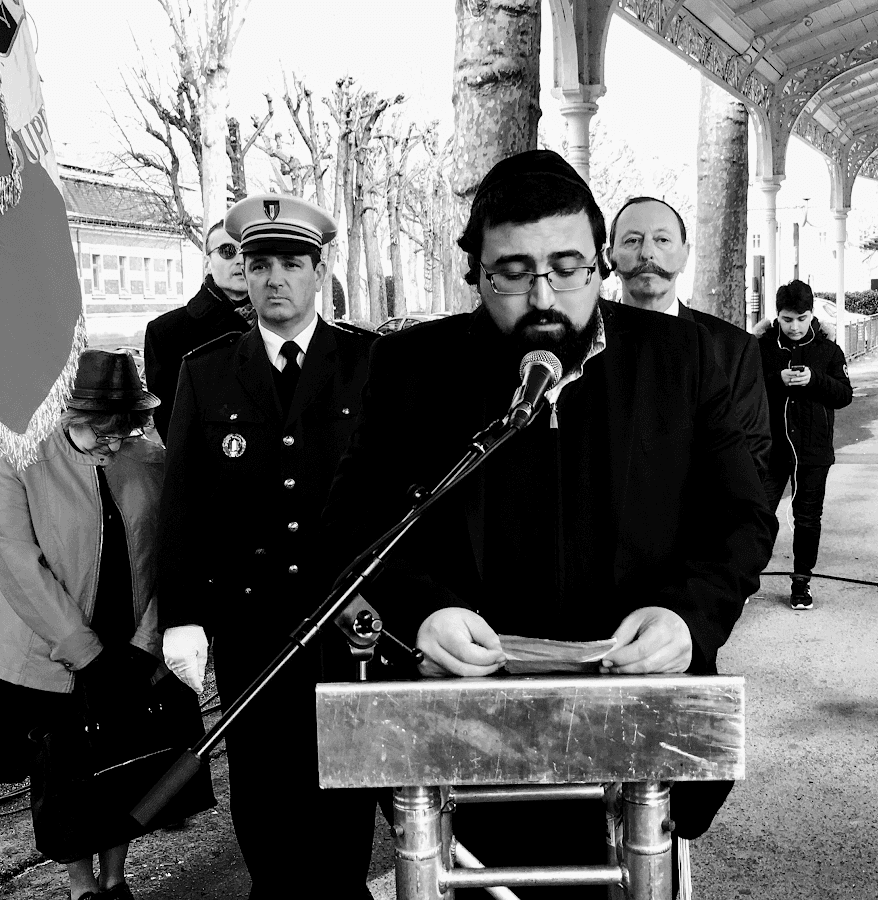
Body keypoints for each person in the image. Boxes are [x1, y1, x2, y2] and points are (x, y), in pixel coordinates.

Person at [322, 150, 774, 898]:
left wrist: (688, 616)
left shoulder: (688, 357)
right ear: (475, 271)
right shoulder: (409, 367)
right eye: (513, 271)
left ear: (601, 265)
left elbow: (741, 517)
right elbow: (354, 526)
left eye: (566, 268)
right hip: (465, 718)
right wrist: (421, 613)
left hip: (637, 717)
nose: (543, 296)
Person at [156, 193, 378, 900]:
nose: (273, 278)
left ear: (319, 272)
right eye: (258, 264)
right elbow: (184, 498)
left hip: (346, 619)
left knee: (343, 788)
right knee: (262, 790)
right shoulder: (207, 370)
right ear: (242, 276)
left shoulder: (367, 362)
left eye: (290, 263)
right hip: (252, 622)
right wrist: (183, 614)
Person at [0, 349, 189, 900]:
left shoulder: (149, 458)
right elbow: (17, 561)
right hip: (48, 648)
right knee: (62, 778)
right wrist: (83, 650)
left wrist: (146, 642)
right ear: (67, 419)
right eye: (99, 434)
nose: (113, 445)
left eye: (124, 433)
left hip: (129, 643)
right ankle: (81, 887)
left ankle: (115, 882)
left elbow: (173, 555)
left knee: (123, 769)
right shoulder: (21, 458)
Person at [608, 195, 774, 492]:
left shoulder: (733, 350)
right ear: (611, 257)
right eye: (632, 241)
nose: (647, 253)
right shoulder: (587, 345)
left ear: (685, 256)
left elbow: (751, 463)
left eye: (662, 240)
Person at [758, 280, 852, 610]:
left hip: (813, 450)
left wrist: (815, 380)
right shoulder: (763, 346)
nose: (795, 326)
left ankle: (802, 581)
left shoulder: (828, 349)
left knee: (808, 518)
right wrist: (776, 381)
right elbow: (744, 393)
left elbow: (844, 395)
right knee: (758, 513)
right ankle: (745, 575)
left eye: (802, 318)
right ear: (777, 317)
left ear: (812, 315)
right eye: (787, 319)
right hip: (771, 450)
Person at [143, 221, 255, 437]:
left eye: (247, 251)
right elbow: (171, 424)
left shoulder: (277, 323)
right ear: (207, 263)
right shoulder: (166, 333)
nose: (240, 260)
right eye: (228, 251)